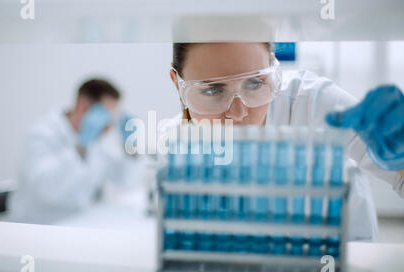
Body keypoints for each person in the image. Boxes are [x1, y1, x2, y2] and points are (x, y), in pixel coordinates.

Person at [167, 42, 404, 241]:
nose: (238, 112)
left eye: (255, 83)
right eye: (213, 90)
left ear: (272, 67)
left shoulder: (312, 103)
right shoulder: (172, 145)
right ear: (178, 85)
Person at [9, 79, 140, 224]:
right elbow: (47, 189)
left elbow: (124, 181)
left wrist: (131, 147)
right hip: (37, 225)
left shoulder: (97, 140)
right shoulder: (42, 134)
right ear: (82, 107)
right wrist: (81, 147)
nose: (109, 127)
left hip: (75, 222)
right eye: (106, 117)